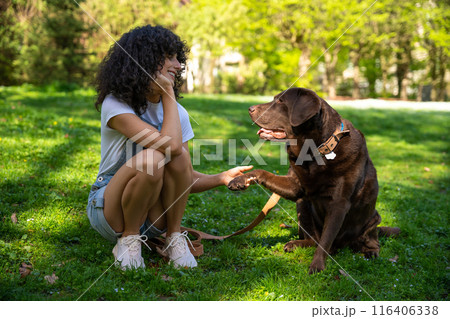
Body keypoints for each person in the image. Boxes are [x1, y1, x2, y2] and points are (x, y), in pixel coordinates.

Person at [86, 25, 251, 270]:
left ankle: (174, 237)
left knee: (180, 158)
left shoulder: (177, 113)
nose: (179, 65)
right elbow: (170, 147)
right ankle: (129, 239)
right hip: (111, 208)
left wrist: (221, 178)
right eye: (169, 57)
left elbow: (180, 172)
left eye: (178, 58)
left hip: (153, 214)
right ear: (146, 59)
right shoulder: (116, 103)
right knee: (154, 158)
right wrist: (168, 93)